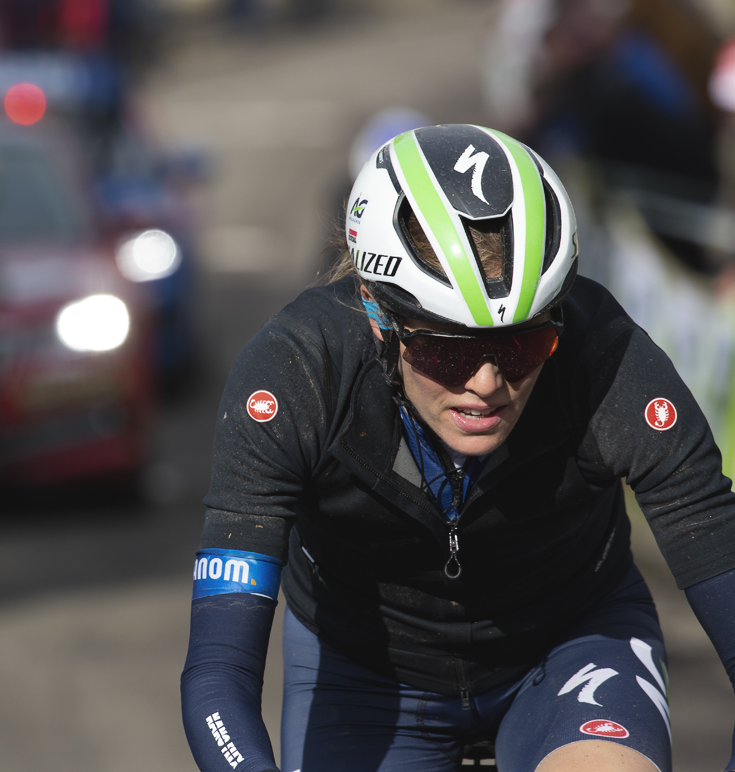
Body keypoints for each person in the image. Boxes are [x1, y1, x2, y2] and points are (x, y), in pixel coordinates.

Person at [181, 123, 735, 772]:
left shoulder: (604, 354)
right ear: (378, 314)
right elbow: (218, 676)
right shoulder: (296, 374)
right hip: (370, 670)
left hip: (571, 644)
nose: (487, 384)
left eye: (522, 345)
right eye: (447, 349)